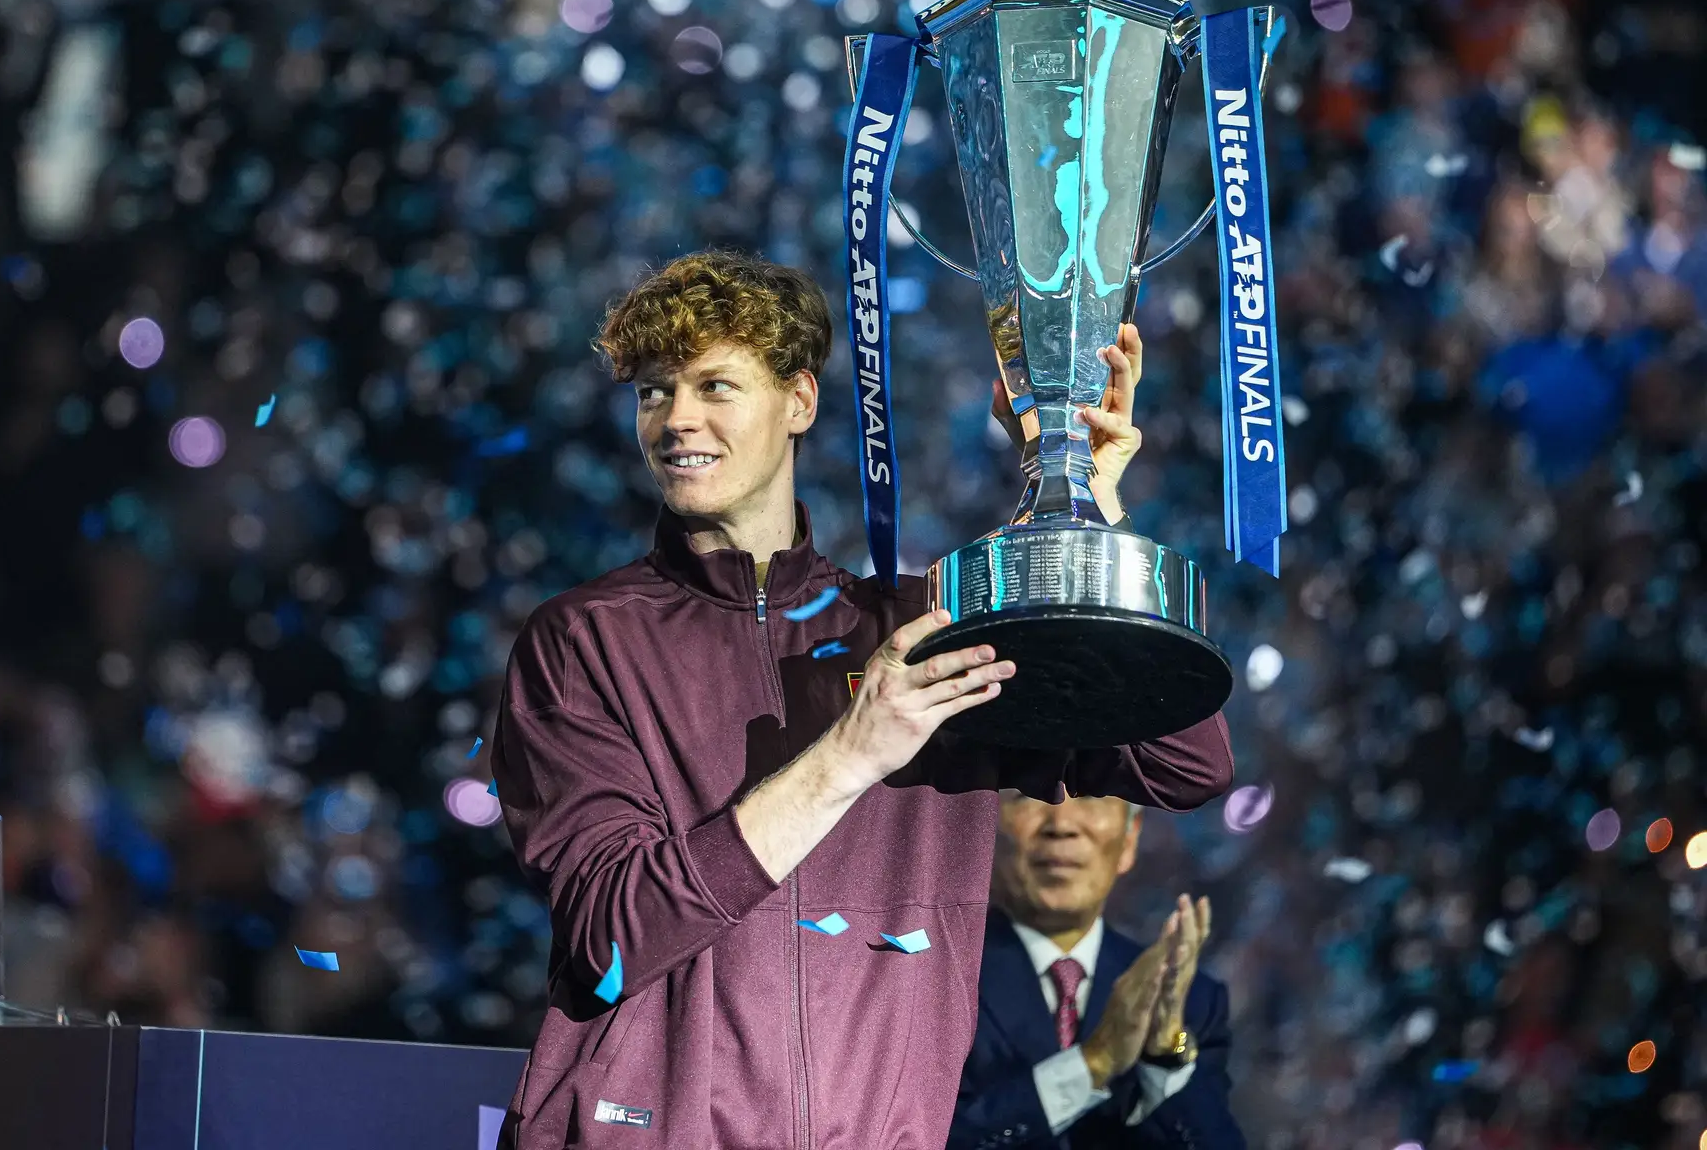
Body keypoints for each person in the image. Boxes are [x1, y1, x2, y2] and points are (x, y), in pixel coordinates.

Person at [491, 251, 1235, 1148]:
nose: (677, 419)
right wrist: (849, 755)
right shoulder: (584, 642)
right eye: (654, 392)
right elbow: (611, 941)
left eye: (715, 386)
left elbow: (1186, 761)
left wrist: (1087, 507)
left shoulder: (921, 629)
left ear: (799, 402)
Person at [949, 793, 1244, 1150]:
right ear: (982, 828)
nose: (1062, 825)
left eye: (1092, 796)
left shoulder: (1195, 1001)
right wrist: (1093, 1062)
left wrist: (1169, 1050)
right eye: (1030, 795)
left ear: (1130, 837)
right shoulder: (931, 980)